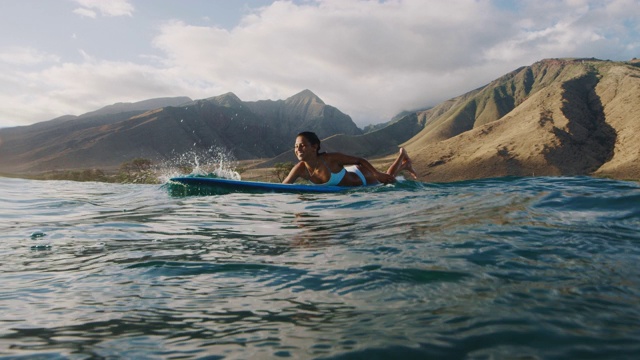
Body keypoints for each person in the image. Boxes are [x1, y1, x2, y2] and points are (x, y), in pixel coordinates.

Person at [282, 131, 417, 186]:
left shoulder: (330, 159)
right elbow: (283, 187)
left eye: (302, 145)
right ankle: (405, 166)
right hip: (347, 173)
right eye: (295, 146)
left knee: (388, 178)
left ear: (314, 147)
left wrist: (376, 173)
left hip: (361, 177)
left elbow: (360, 160)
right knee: (387, 177)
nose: (298, 149)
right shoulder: (300, 168)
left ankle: (402, 155)